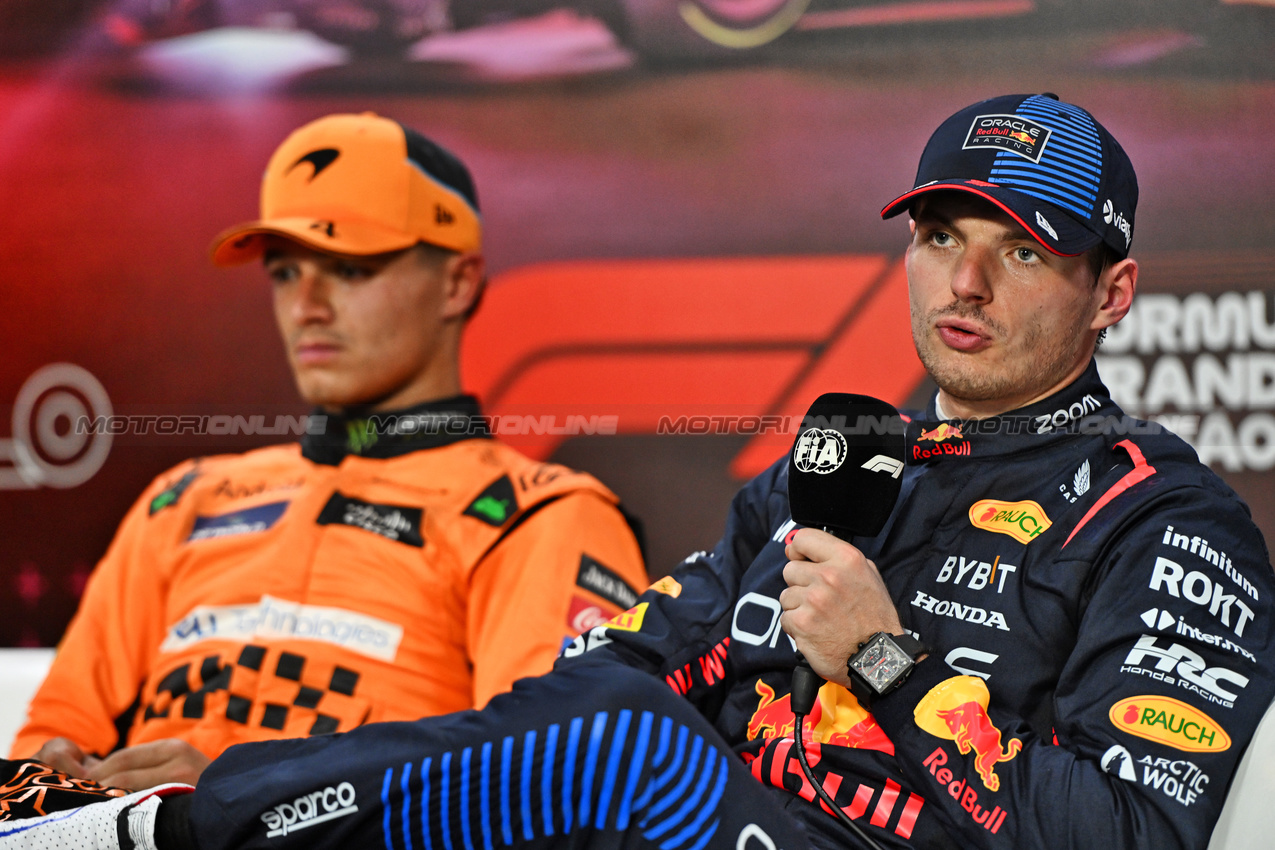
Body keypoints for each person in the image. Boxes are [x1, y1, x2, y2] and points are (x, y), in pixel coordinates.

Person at [4, 93, 1272, 850]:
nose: (966, 282)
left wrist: (889, 662)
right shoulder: (830, 472)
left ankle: (156, 838)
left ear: (1112, 294)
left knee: (630, 753)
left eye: (1023, 252)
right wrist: (256, 771)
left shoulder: (1168, 523)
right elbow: (611, 675)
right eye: (942, 238)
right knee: (596, 713)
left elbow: (1134, 838)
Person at [7, 113, 648, 792]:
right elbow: (48, 746)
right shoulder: (183, 499)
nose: (305, 306)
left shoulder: (540, 514)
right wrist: (49, 777)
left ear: (457, 283)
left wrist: (247, 799)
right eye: (284, 273)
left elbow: (545, 786)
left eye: (348, 268)